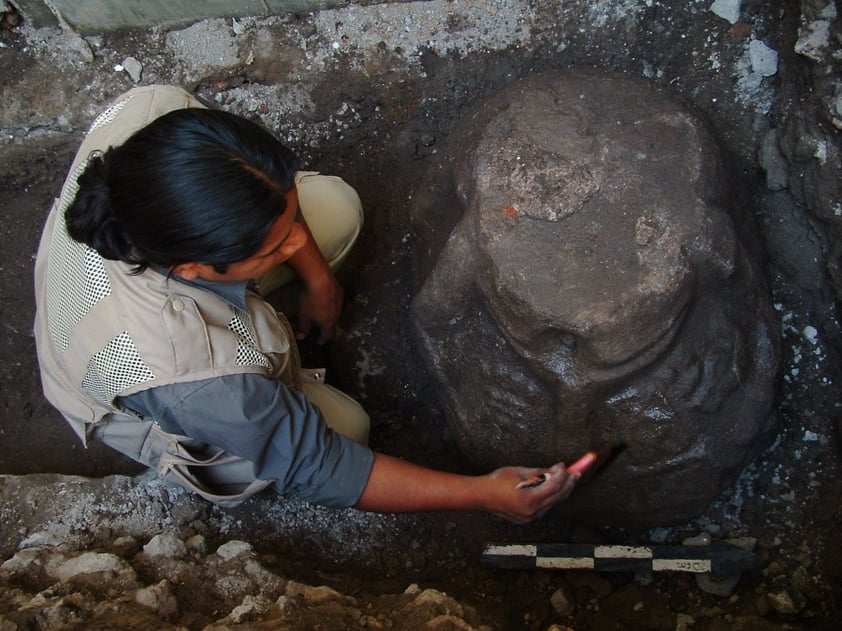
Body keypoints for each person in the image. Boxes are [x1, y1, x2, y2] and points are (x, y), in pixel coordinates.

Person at [33, 85, 589, 523]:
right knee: (346, 428)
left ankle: (265, 290)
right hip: (143, 378)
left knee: (336, 209)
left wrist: (321, 287)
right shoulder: (193, 379)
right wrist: (481, 495)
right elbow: (319, 465)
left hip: (179, 299)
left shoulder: (154, 115)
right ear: (194, 270)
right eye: (274, 248)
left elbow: (272, 200)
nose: (295, 244)